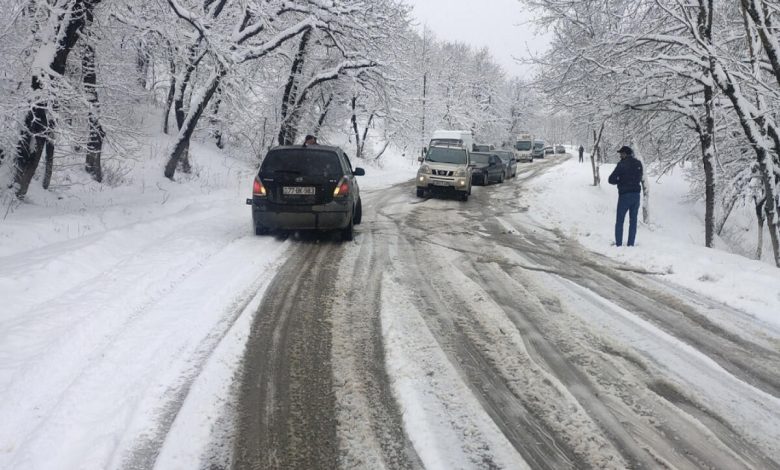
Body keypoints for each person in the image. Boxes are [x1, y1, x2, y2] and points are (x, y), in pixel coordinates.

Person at [608, 146, 643, 246]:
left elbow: (611, 180)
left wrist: (620, 180)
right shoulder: (638, 163)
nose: (620, 155)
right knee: (633, 221)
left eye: (621, 153)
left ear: (625, 154)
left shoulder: (621, 165)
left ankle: (618, 244)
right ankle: (630, 244)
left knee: (620, 220)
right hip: (636, 195)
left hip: (625, 195)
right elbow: (640, 177)